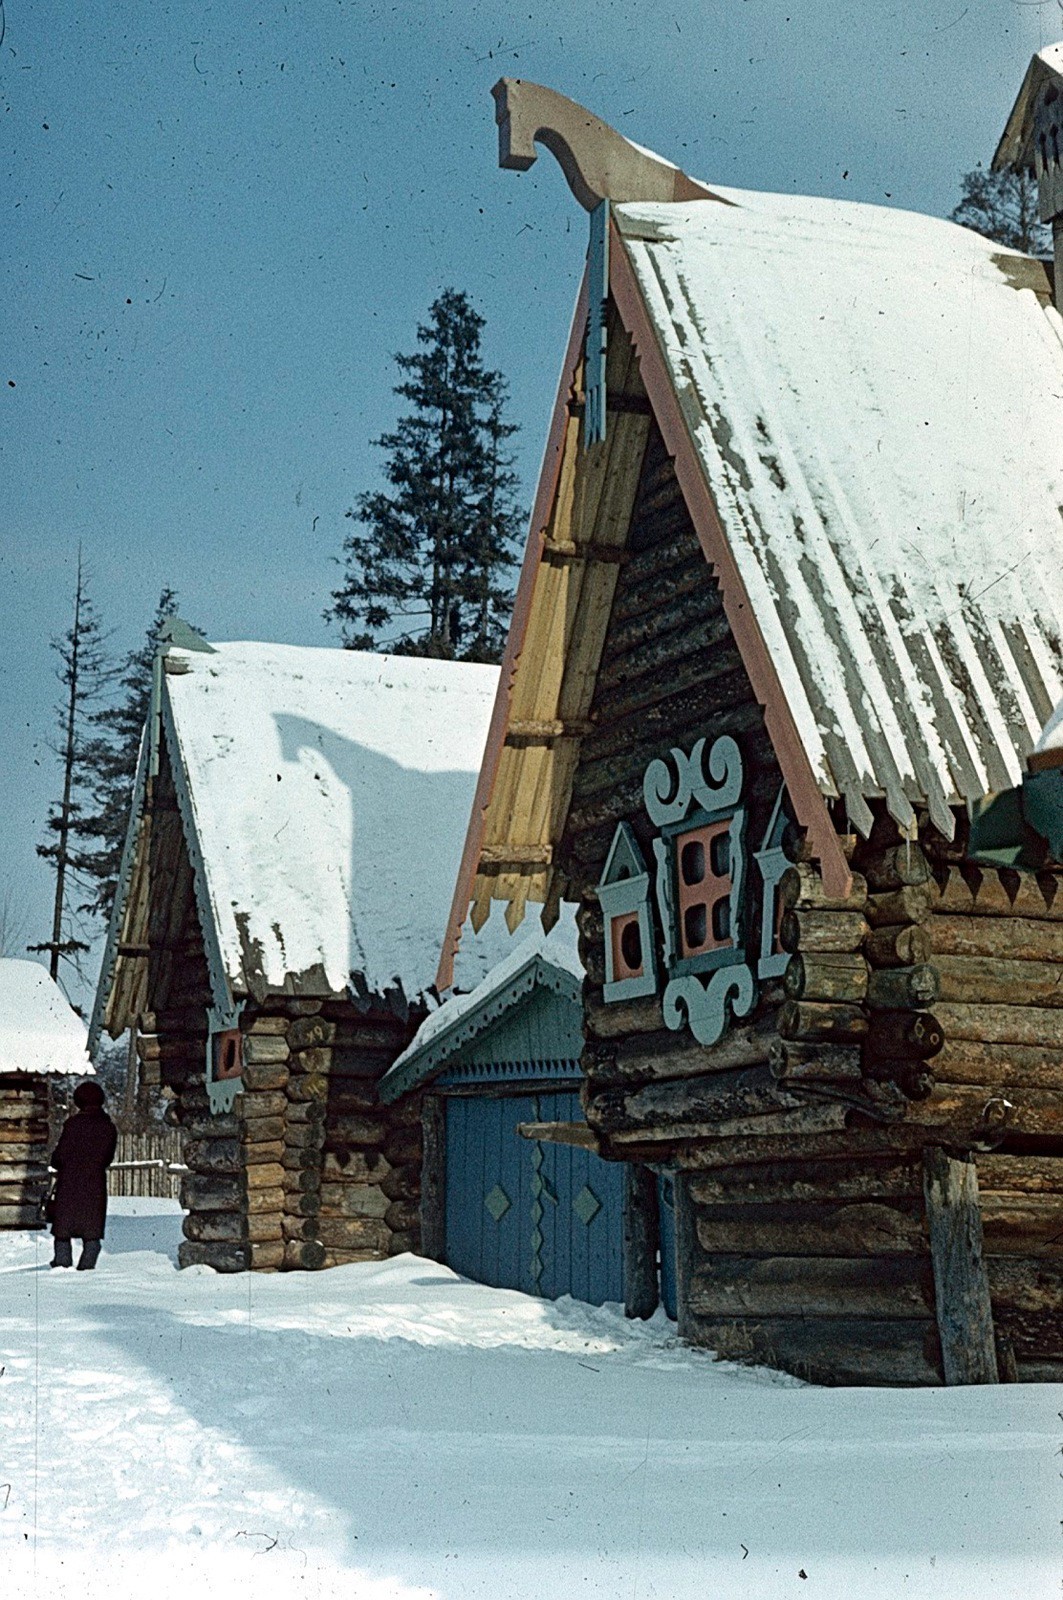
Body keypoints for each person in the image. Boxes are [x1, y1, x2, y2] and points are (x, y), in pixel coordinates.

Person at [48, 1080, 118, 1270]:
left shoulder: (72, 1125)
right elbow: (107, 1158)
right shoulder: (108, 1128)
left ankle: (61, 1267)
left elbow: (59, 1156)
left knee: (63, 1231)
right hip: (94, 1185)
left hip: (69, 1184)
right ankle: (86, 1270)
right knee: (92, 1233)